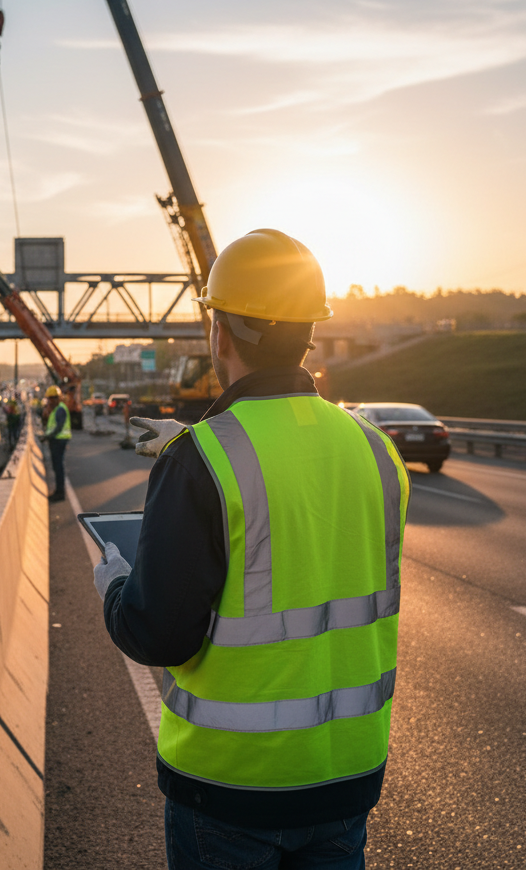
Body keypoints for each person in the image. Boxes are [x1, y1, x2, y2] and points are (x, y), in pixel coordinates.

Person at [92, 228, 410, 870]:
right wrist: (189, 446)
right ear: (308, 334)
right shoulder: (378, 450)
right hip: (345, 779)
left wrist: (113, 588)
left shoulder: (201, 465)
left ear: (221, 332)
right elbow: (295, 489)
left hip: (229, 789)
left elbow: (159, 634)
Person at [41, 384, 71, 502]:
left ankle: (60, 492)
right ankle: (59, 491)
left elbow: (59, 427)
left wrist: (47, 436)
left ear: (57, 398)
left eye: (51, 398)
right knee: (56, 466)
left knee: (58, 467)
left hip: (59, 440)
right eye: (49, 399)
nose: (50, 401)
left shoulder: (60, 409)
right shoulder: (55, 409)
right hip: (56, 440)